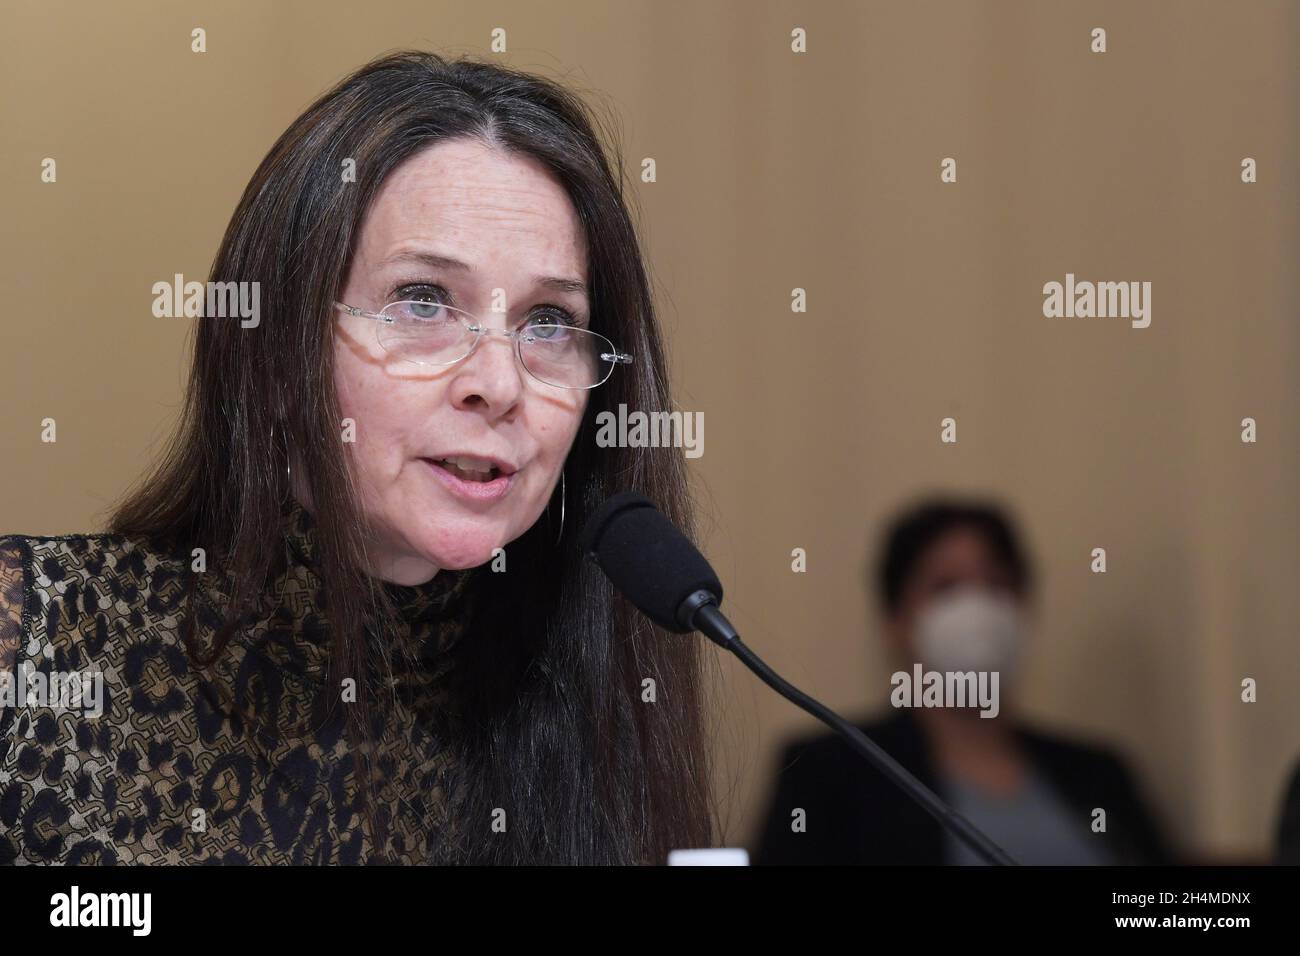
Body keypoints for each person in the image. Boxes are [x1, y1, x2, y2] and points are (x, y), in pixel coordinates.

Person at [0, 51, 714, 865]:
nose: (497, 382)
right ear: (275, 356)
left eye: (548, 321)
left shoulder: (586, 703)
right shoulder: (39, 640)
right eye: (422, 301)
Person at [754, 496, 1171, 865]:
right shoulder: (831, 771)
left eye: (996, 584)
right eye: (946, 588)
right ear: (896, 621)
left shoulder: (1099, 773)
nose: (977, 608)